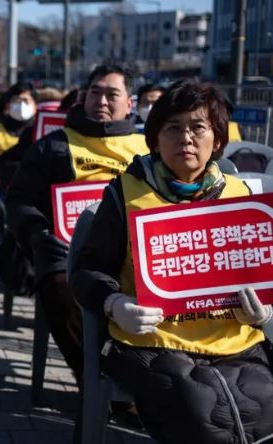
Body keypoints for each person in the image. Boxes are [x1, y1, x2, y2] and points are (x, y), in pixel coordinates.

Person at [71, 79, 273, 444]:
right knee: (201, 409)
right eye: (173, 128)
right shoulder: (125, 193)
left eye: (198, 127)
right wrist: (114, 303)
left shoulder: (240, 196)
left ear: (218, 139)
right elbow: (86, 272)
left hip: (234, 339)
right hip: (153, 342)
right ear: (154, 138)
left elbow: (262, 271)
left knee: (262, 402)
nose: (186, 138)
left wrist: (264, 313)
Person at [6, 64, 148, 385]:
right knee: (57, 282)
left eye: (112, 94)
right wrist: (39, 235)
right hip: (66, 252)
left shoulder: (148, 151)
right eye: (95, 93)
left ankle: (140, 378)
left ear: (131, 103)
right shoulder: (52, 145)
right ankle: (95, 381)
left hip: (133, 254)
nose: (101, 101)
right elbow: (19, 201)